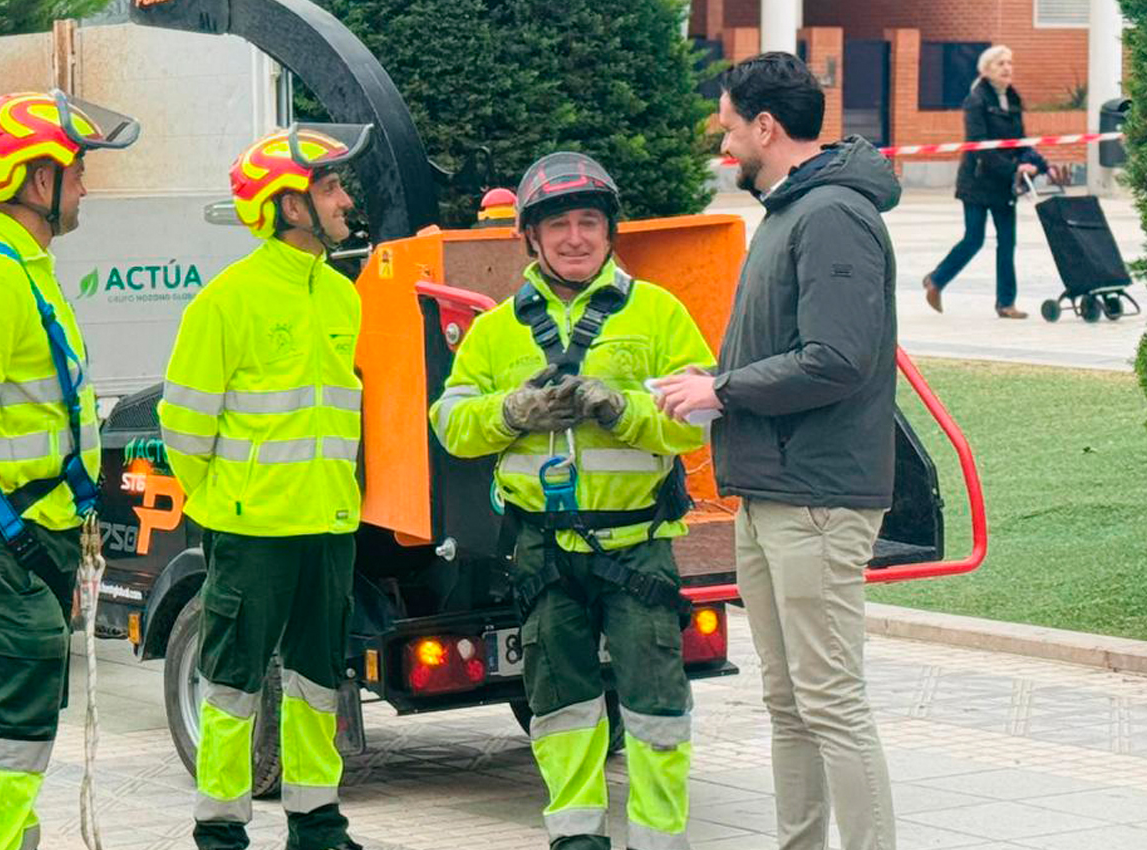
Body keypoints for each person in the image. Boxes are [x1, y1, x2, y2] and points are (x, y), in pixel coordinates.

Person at [430, 151, 714, 850]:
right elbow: (451, 426)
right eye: (559, 225)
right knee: (561, 711)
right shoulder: (497, 331)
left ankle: (659, 842)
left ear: (612, 230)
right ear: (531, 236)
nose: (576, 237)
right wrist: (514, 411)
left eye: (590, 222)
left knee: (655, 712)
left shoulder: (657, 314)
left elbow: (698, 421)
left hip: (637, 549)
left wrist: (624, 412)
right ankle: (577, 840)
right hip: (543, 553)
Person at [657, 52, 902, 850]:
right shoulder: (788, 211)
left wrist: (723, 393)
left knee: (829, 699)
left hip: (818, 497)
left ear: (766, 126)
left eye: (728, 126)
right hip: (772, 490)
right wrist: (716, 376)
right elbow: (795, 347)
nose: (724, 143)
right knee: (789, 701)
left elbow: (839, 357)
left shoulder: (831, 214)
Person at [0, 89, 139, 850]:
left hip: (39, 526)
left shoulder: (28, 269)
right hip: (7, 526)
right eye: (75, 171)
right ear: (36, 182)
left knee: (31, 688)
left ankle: (13, 833)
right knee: (16, 696)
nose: (84, 185)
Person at [159, 123, 374, 850]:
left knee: (319, 680)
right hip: (252, 532)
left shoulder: (342, 296)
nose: (345, 198)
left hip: (329, 524)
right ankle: (220, 829)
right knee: (230, 685)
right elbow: (183, 428)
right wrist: (230, 501)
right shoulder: (227, 301)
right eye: (331, 186)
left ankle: (317, 825)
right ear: (288, 205)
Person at [923, 45, 1063, 319]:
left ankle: (1006, 303)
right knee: (974, 239)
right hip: (977, 181)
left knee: (1007, 242)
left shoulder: (1012, 98)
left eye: (1010, 62)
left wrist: (1039, 163)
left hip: (1003, 184)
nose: (1007, 68)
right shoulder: (976, 100)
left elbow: (1019, 141)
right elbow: (981, 147)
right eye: (1001, 63)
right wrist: (1014, 168)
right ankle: (937, 280)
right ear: (986, 70)